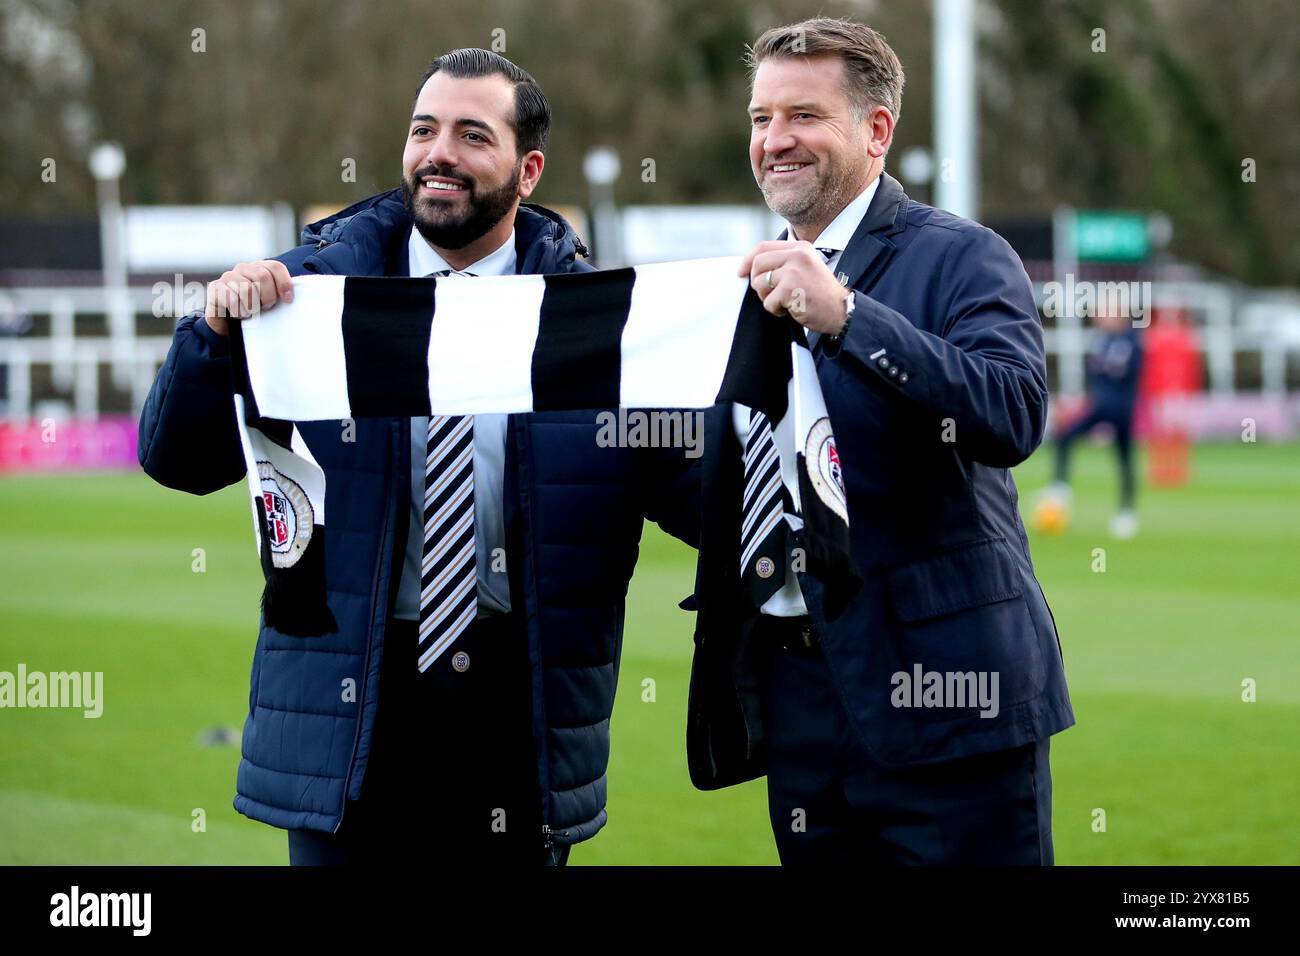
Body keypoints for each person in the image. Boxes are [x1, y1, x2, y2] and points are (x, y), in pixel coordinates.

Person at [138, 48, 697, 866]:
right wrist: (214, 337)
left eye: (473, 135)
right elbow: (177, 459)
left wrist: (769, 376)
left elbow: (705, 504)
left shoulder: (595, 324)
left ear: (528, 168)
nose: (439, 153)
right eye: (424, 130)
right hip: (351, 710)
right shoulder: (307, 297)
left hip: (518, 709)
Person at [682, 17, 1074, 864]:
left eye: (803, 116)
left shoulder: (965, 256)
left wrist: (849, 317)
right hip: (801, 711)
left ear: (877, 130)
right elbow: (733, 485)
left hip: (953, 701)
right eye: (760, 119)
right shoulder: (739, 286)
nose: (774, 141)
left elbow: (1011, 414)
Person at [1047, 302, 1144, 538]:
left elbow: (1127, 376)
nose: (1099, 317)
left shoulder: (1131, 341)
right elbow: (1097, 379)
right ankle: (1060, 487)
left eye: (1105, 313)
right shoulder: (1102, 340)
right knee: (1065, 436)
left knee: (1124, 458)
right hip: (1100, 406)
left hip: (1121, 408)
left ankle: (1126, 512)